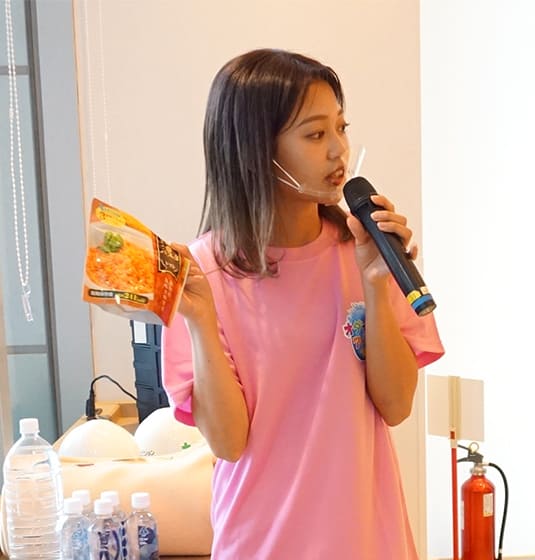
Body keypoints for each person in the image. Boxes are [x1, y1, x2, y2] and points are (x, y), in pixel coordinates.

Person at [161, 48, 444, 558]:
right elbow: (228, 442)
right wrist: (199, 321)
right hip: (262, 544)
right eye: (315, 135)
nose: (339, 150)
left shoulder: (366, 250)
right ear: (255, 150)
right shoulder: (199, 276)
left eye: (341, 127)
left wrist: (375, 283)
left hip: (368, 542)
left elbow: (397, 405)